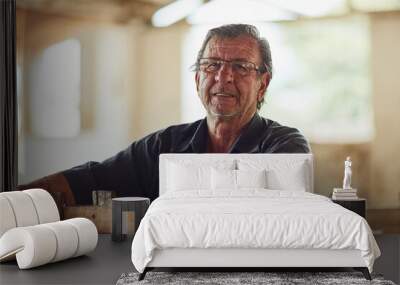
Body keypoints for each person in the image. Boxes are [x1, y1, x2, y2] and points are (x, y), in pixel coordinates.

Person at [18, 24, 310, 205]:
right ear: (197, 80)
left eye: (241, 67)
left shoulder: (284, 146)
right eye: (212, 65)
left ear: (263, 83)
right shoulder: (164, 145)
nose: (224, 77)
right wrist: (16, 199)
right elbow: (92, 179)